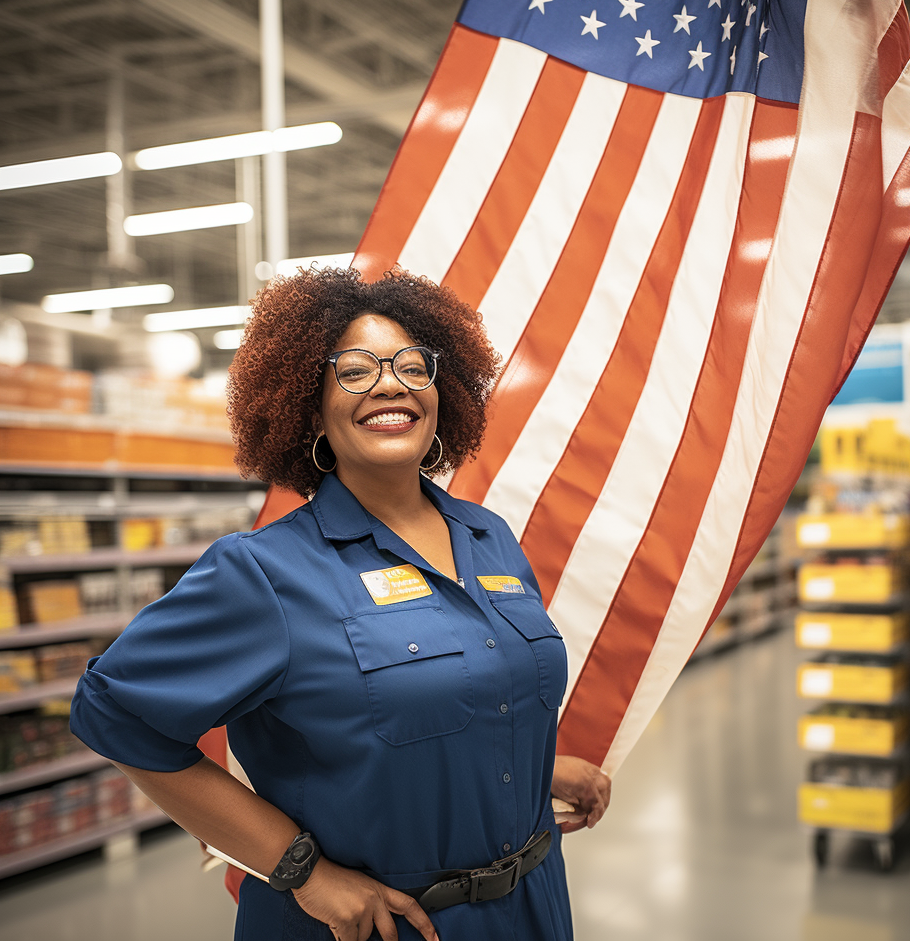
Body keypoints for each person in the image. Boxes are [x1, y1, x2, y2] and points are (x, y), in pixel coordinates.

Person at [70, 268, 611, 941]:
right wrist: (301, 870)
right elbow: (114, 712)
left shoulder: (488, 536)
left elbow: (444, 697)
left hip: (534, 908)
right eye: (355, 371)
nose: (391, 384)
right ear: (310, 406)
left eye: (414, 367)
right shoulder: (266, 572)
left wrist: (536, 762)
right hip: (386, 926)